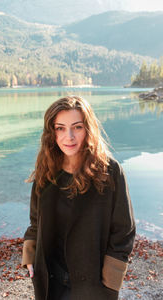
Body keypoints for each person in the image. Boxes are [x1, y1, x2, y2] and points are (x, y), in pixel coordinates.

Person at [21, 95, 136, 300]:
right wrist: (30, 255)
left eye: (77, 127)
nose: (69, 137)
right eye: (60, 128)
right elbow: (35, 220)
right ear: (52, 132)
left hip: (93, 285)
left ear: (88, 129)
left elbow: (123, 232)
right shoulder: (46, 172)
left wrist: (110, 282)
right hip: (50, 281)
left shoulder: (110, 172)